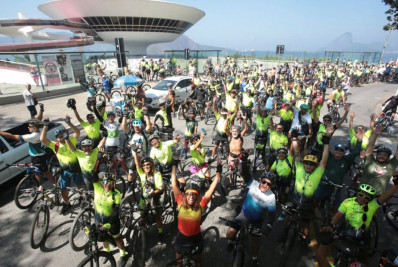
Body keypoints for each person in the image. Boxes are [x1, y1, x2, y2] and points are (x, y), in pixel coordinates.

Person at [316, 179, 398, 267]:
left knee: (363, 258)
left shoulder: (371, 205)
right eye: (361, 194)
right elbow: (338, 215)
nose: (363, 198)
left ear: (370, 199)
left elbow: (386, 196)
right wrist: (332, 225)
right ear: (357, 193)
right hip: (345, 232)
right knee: (328, 246)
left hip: (362, 238)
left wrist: (396, 185)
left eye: (367, 197)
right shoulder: (347, 202)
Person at [172, 161, 221, 267]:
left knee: (198, 262)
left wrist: (218, 173)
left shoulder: (201, 205)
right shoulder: (180, 201)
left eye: (194, 194)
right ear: (185, 195)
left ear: (197, 197)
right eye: (189, 194)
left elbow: (211, 190)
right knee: (179, 264)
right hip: (182, 238)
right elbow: (174, 184)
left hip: (196, 238)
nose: (191, 196)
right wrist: (174, 167)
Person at [226, 172, 276, 266]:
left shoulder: (271, 197)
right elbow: (245, 172)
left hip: (257, 221)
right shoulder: (253, 183)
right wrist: (244, 160)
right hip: (244, 214)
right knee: (229, 234)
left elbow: (272, 214)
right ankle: (231, 241)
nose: (265, 185)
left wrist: (268, 228)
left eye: (269, 184)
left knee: (256, 240)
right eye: (264, 182)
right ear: (260, 180)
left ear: (271, 185)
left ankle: (254, 258)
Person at [40, 115, 85, 215]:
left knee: (80, 185)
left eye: (62, 136)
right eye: (59, 137)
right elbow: (42, 139)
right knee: (63, 188)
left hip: (76, 168)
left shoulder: (71, 141)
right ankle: (66, 203)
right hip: (65, 171)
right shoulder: (55, 146)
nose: (61, 138)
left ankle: (82, 198)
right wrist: (45, 126)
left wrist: (69, 123)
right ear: (56, 139)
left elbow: (77, 132)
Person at [0, 111, 55, 187]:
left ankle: (55, 184)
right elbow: (38, 120)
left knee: (45, 172)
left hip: (38, 157)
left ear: (34, 127)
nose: (28, 127)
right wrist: (41, 111)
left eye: (29, 126)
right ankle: (38, 187)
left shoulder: (32, 137)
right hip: (38, 156)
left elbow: (12, 136)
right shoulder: (40, 131)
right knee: (37, 172)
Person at [314, 130, 364, 208]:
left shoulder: (346, 159)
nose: (338, 151)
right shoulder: (328, 156)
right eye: (337, 149)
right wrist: (325, 137)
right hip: (323, 186)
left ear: (344, 153)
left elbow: (356, 151)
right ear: (333, 150)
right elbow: (324, 145)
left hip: (336, 189)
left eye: (341, 150)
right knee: (315, 200)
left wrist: (359, 140)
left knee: (336, 206)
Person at [93, 172, 127, 267]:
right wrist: (98, 159)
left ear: (114, 184)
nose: (108, 185)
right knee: (102, 237)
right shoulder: (98, 188)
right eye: (106, 182)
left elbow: (115, 212)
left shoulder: (116, 194)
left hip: (112, 220)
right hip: (99, 220)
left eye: (111, 183)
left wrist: (109, 223)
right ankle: (107, 253)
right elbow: (93, 175)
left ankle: (123, 255)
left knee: (117, 238)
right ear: (102, 182)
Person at [133, 154, 164, 243]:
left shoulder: (157, 174)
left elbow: (160, 188)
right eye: (144, 165)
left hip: (154, 197)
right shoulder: (142, 174)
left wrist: (153, 193)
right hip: (144, 198)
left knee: (156, 215)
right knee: (142, 213)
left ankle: (160, 232)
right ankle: (143, 226)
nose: (146, 167)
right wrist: (135, 152)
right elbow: (137, 164)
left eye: (148, 164)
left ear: (151, 165)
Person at [361, 125, 398, 195]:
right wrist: (375, 134)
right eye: (380, 154)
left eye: (385, 155)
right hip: (361, 193)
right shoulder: (370, 161)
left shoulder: (391, 166)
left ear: (388, 157)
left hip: (377, 198)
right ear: (376, 155)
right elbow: (370, 147)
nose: (382, 156)